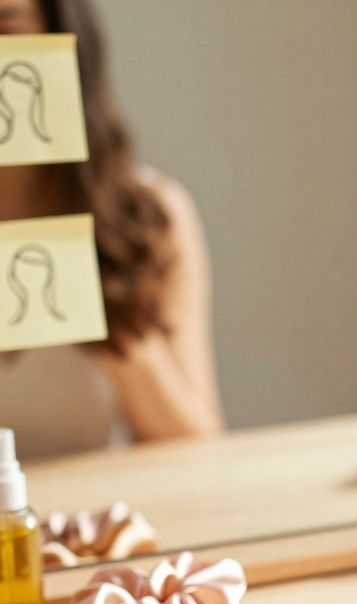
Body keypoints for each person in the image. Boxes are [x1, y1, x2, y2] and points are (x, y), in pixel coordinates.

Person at [0, 0, 222, 458]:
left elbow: (196, 446)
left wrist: (117, 324)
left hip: (104, 502)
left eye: (5, 27)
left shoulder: (148, 220)